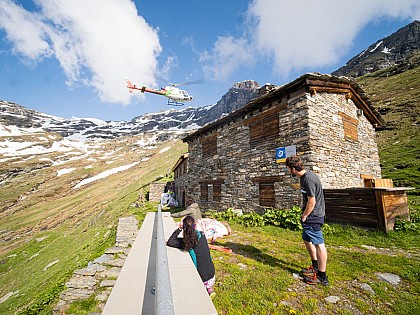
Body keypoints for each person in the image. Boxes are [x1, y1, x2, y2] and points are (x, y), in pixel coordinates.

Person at [285, 156, 329, 286]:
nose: (288, 171)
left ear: (293, 169)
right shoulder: (306, 177)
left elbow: (312, 201)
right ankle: (315, 266)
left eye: (288, 169)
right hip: (312, 214)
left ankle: (322, 276)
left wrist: (305, 215)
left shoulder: (308, 180)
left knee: (319, 244)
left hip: (313, 215)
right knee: (306, 239)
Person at [166, 215, 216, 298]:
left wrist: (179, 229)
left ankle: (204, 288)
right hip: (211, 275)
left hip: (200, 278)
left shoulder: (186, 242)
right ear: (195, 226)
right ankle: (209, 288)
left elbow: (170, 241)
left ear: (184, 227)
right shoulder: (202, 235)